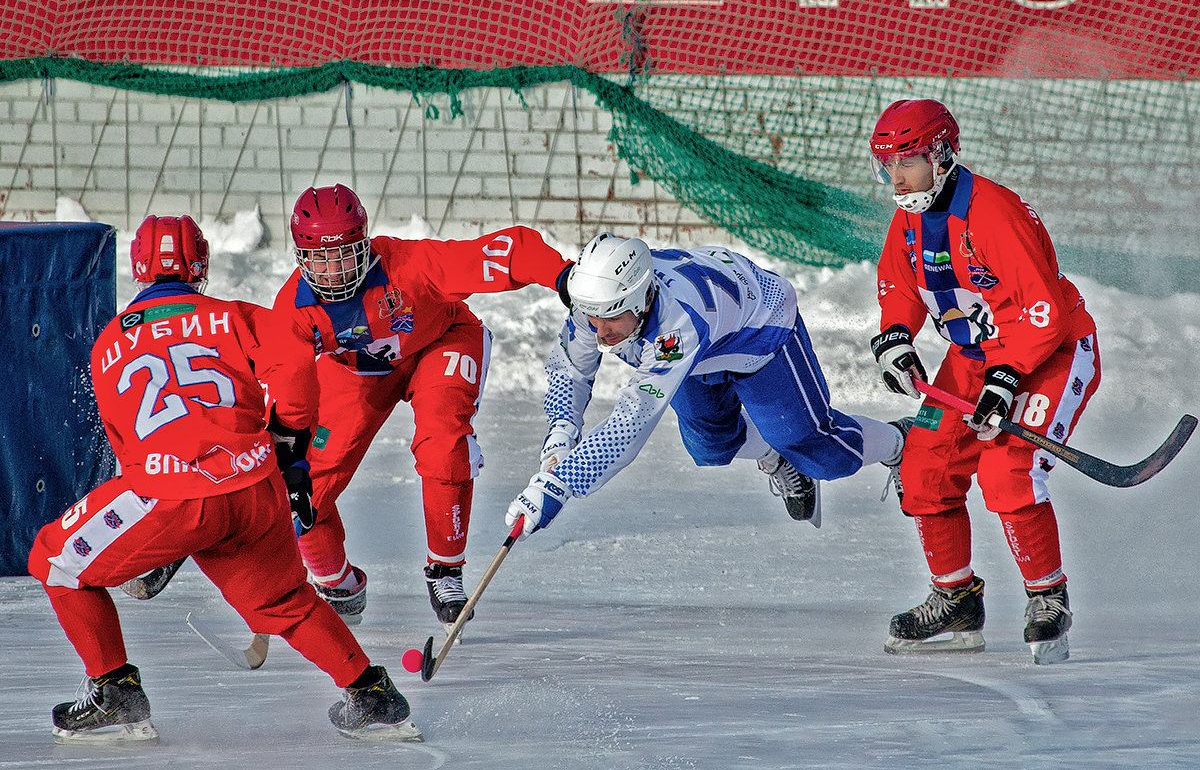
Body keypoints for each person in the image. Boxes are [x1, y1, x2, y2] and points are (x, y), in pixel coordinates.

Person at [27, 215, 421, 744]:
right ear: (202, 264)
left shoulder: (107, 346)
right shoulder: (231, 315)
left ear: (138, 269)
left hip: (170, 493)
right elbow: (296, 365)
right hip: (254, 486)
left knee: (54, 560)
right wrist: (290, 448)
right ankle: (372, 693)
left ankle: (113, 687)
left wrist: (163, 537)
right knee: (285, 601)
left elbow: (130, 449)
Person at [273, 184, 571, 630]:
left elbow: (507, 250)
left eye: (345, 256)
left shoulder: (413, 264)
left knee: (443, 441)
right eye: (321, 260)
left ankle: (445, 569)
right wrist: (287, 451)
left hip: (441, 341)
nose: (334, 272)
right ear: (301, 258)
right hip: (356, 371)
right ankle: (336, 582)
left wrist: (562, 274)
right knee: (302, 487)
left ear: (366, 244)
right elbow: (288, 385)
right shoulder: (293, 309)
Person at [867, 99, 1100, 664]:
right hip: (974, 359)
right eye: (886, 165)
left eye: (910, 161)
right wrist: (896, 336)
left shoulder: (995, 214)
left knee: (1007, 469)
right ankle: (956, 601)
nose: (897, 178)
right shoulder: (909, 218)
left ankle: (1048, 597)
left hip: (1051, 353)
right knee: (924, 467)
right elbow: (898, 285)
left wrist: (1006, 377)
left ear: (943, 155)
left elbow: (1041, 310)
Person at [504, 232, 910, 542]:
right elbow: (570, 371)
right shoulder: (592, 307)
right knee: (709, 447)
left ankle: (899, 441)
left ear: (644, 300)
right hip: (705, 347)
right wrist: (560, 438)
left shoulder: (676, 328)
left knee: (820, 453)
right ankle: (776, 455)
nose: (599, 332)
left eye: (611, 320)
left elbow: (631, 421)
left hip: (759, 332)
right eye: (591, 319)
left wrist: (561, 484)